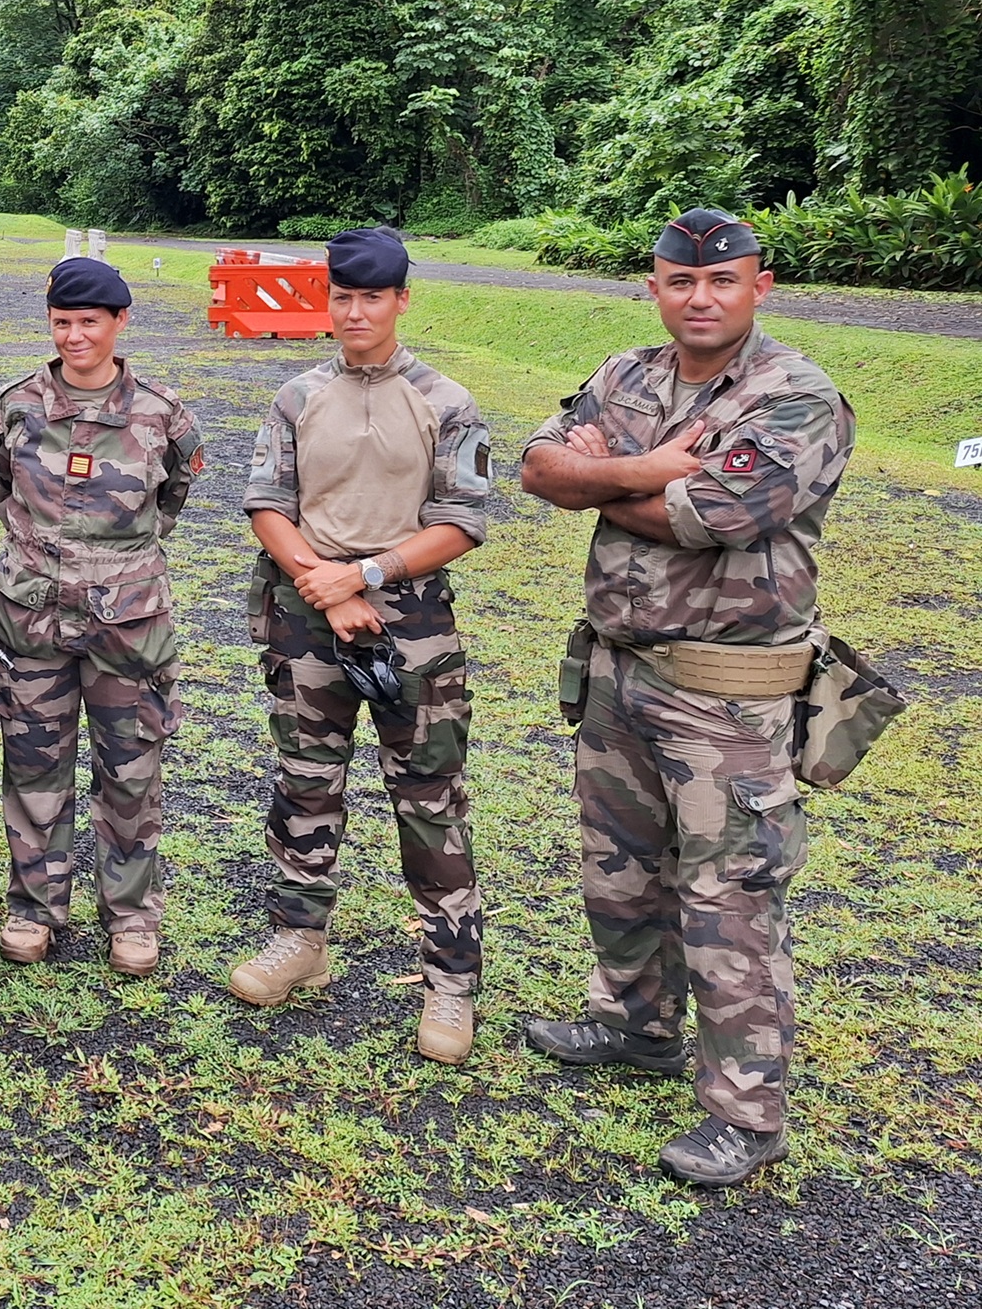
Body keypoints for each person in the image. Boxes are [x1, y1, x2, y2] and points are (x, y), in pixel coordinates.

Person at [518, 209, 855, 1187]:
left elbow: (711, 514)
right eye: (679, 282)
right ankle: (635, 1026)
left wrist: (601, 481)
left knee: (728, 898)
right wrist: (647, 468)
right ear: (654, 286)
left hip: (726, 694)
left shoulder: (794, 395)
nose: (699, 298)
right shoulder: (630, 375)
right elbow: (540, 467)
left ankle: (745, 1111)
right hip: (620, 669)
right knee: (618, 870)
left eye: (721, 282)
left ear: (761, 285)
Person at [231, 226, 493, 1065]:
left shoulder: (445, 401)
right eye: (341, 297)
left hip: (410, 625)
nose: (354, 311)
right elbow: (268, 500)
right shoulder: (298, 395)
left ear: (400, 300)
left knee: (428, 800)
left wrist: (366, 576)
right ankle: (299, 940)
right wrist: (322, 581)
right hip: (307, 620)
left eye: (370, 297)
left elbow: (462, 522)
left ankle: (449, 982)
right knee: (305, 785)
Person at [0, 256, 201, 974]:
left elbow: (171, 502)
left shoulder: (163, 415)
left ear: (120, 322)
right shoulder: (14, 407)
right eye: (62, 321)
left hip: (128, 622)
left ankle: (131, 917)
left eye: (89, 321)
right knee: (33, 763)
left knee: (130, 769)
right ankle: (34, 908)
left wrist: (111, 565)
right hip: (31, 617)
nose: (75, 335)